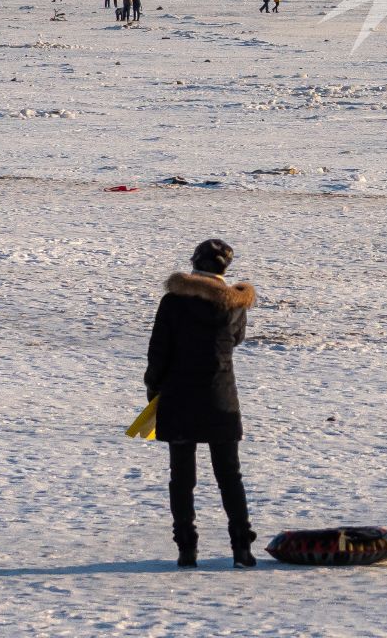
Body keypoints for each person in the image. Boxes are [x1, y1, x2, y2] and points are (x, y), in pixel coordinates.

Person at [144, 238, 257, 569]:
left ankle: (187, 548)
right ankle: (241, 547)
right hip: (221, 395)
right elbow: (236, 340)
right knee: (229, 476)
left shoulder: (173, 302)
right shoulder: (235, 304)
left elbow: (158, 351)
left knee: (181, 477)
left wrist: (154, 389)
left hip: (179, 396)